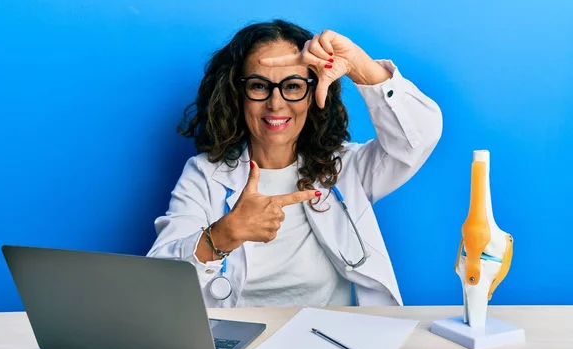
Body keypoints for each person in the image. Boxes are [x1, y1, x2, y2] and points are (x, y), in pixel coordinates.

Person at [147, 19, 442, 308]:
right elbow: (157, 283)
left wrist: (359, 64)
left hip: (331, 344)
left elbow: (418, 137)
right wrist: (224, 234)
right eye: (259, 86)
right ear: (238, 95)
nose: (276, 103)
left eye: (292, 86)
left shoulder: (347, 168)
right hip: (239, 347)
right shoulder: (205, 174)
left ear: (312, 94)